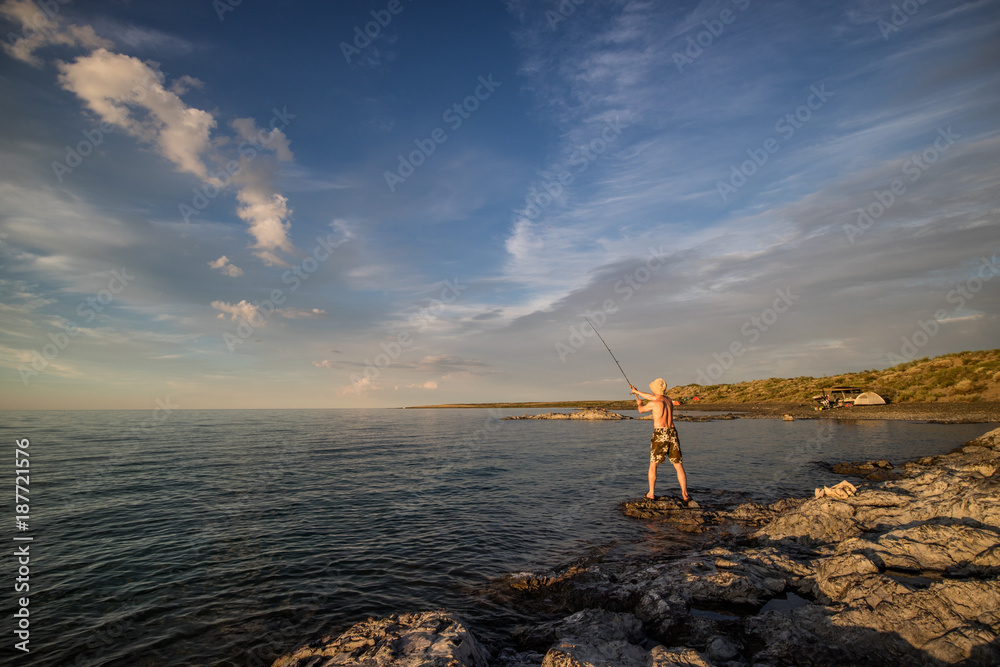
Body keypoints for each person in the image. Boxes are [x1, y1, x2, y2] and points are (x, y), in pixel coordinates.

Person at [631, 378, 689, 502]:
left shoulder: (653, 403)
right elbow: (651, 396)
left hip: (660, 433)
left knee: (653, 465)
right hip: (672, 432)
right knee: (678, 465)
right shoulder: (668, 400)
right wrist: (637, 391)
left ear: (654, 389)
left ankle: (651, 493)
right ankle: (685, 494)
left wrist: (639, 403)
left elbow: (641, 410)